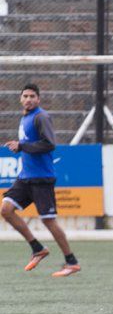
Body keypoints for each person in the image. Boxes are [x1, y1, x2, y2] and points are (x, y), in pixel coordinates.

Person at [2, 83, 80, 277]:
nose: (28, 99)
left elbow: (49, 144)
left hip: (41, 178)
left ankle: (71, 262)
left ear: (39, 99)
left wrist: (22, 146)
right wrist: (22, 146)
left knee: (48, 222)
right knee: (6, 210)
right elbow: (29, 143)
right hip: (26, 177)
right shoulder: (25, 117)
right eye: (25, 96)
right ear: (21, 99)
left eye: (32, 96)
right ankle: (37, 248)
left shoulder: (41, 116)